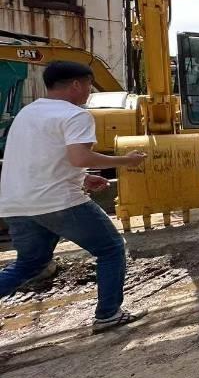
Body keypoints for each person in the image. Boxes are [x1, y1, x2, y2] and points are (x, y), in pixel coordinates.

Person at [0, 61, 148, 332]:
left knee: (29, 264)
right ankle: (108, 314)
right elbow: (79, 156)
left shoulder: (27, 113)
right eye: (89, 85)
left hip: (16, 203)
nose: (89, 91)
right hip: (57, 202)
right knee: (111, 249)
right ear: (77, 84)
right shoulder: (76, 115)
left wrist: (83, 178)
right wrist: (125, 161)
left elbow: (44, 157)